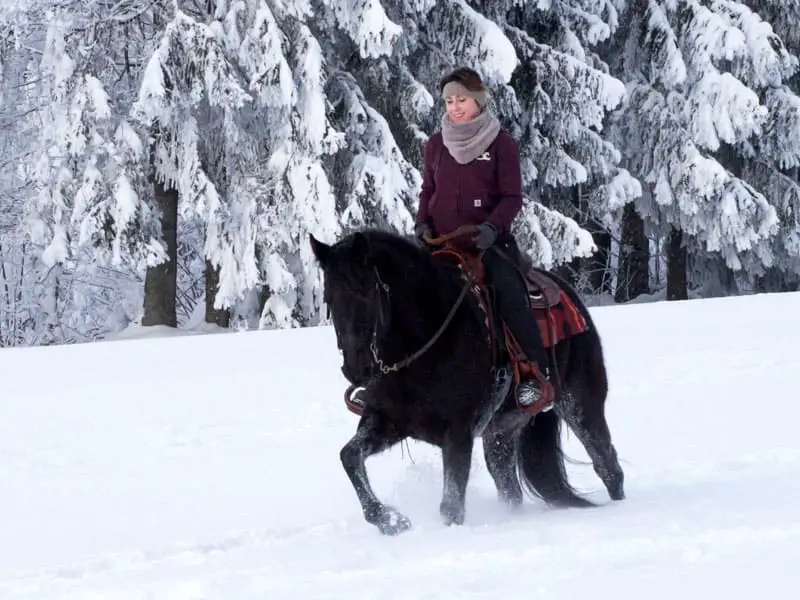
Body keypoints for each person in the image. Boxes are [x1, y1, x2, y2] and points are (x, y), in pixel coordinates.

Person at [414, 66, 554, 409]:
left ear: (478, 101)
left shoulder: (501, 143)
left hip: (489, 244)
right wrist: (422, 223)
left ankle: (533, 374)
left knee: (509, 293)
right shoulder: (435, 145)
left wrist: (493, 227)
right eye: (449, 100)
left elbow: (512, 197)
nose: (455, 106)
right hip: (442, 245)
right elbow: (427, 190)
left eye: (461, 99)